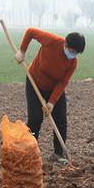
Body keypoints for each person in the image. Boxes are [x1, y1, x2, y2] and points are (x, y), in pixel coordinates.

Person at [16, 28, 86, 164]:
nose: (72, 55)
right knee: (35, 118)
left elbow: (63, 82)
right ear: (65, 44)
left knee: (60, 119)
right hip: (34, 81)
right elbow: (30, 32)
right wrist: (22, 51)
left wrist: (52, 102)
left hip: (54, 88)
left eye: (75, 53)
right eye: (71, 51)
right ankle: (30, 152)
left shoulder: (72, 62)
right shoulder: (52, 41)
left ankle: (59, 154)